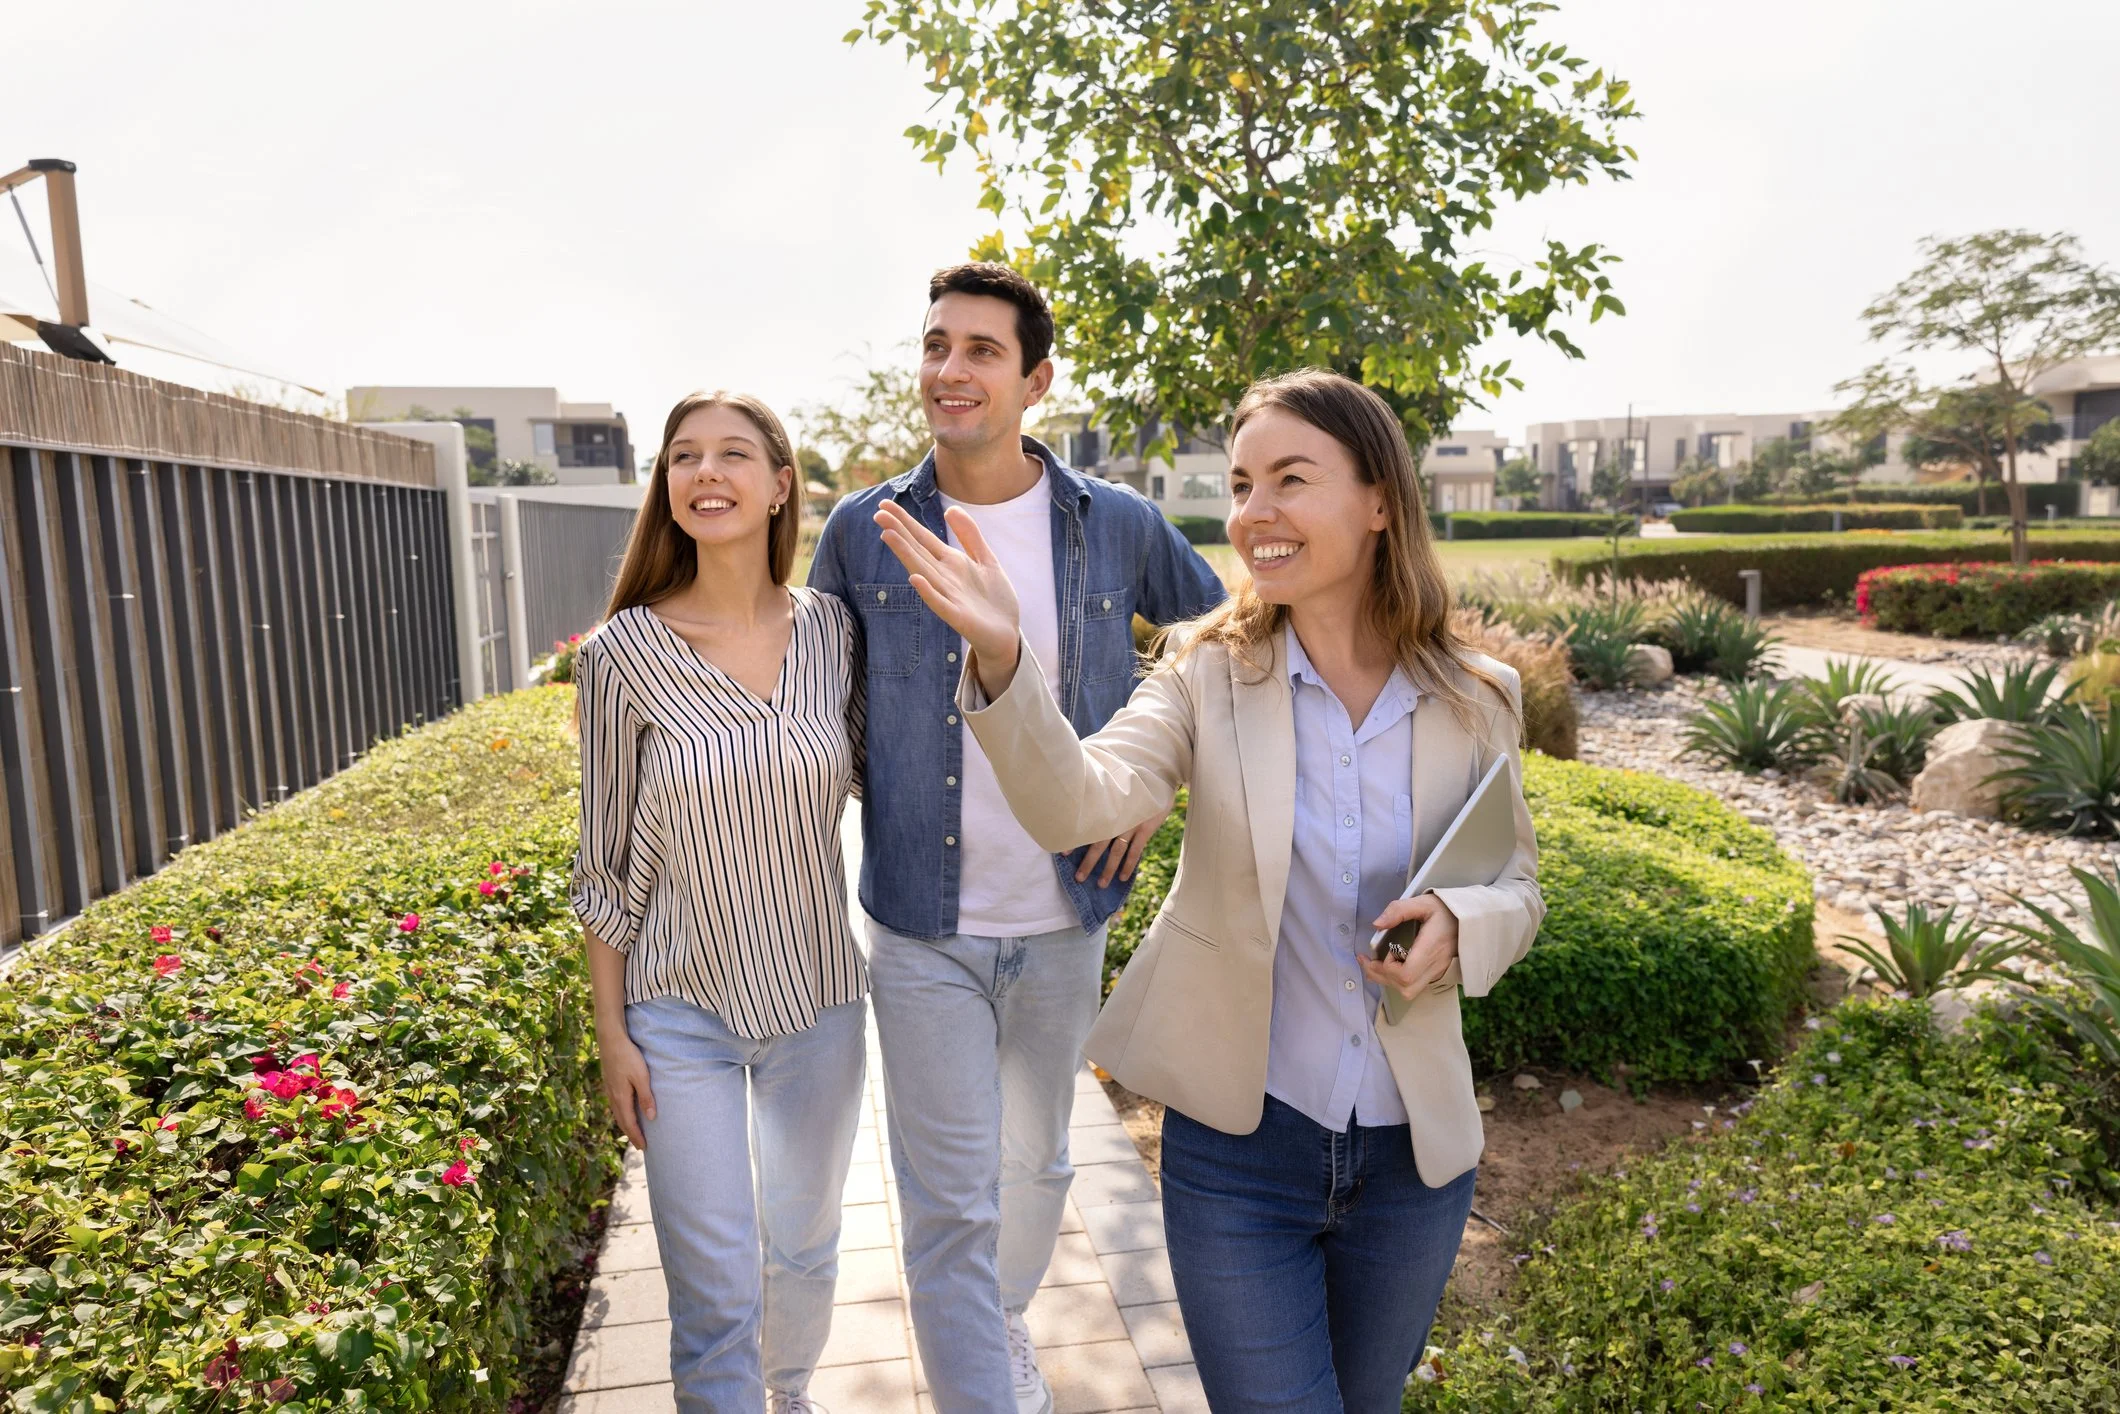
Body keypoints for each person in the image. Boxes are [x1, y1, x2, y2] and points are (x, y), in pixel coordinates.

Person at [874, 368, 1544, 1414]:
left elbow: (1516, 882)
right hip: (1240, 1156)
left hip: (1414, 1164)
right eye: (1238, 484)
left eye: (1288, 479)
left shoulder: (1476, 696)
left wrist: (1462, 920)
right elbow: (1076, 801)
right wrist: (1004, 659)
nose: (1252, 514)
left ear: (1378, 502)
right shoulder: (1201, 671)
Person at [809, 263, 1226, 1413]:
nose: (950, 369)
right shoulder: (864, 530)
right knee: (945, 1199)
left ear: (1034, 381)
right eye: (936, 344)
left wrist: (1150, 782)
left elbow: (1221, 637)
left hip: (1062, 917)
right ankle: (982, 1386)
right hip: (920, 923)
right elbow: (814, 700)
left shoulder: (1115, 524)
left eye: (981, 350)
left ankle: (994, 1328)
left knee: (1034, 1164)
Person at [572, 391, 867, 1414]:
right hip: (677, 1016)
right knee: (711, 1290)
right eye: (683, 456)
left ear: (780, 484)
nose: (705, 473)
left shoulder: (833, 632)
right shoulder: (619, 657)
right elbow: (603, 864)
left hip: (819, 1003)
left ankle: (789, 1392)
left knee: (804, 1250)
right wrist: (612, 1032)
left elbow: (905, 778)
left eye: (733, 454)